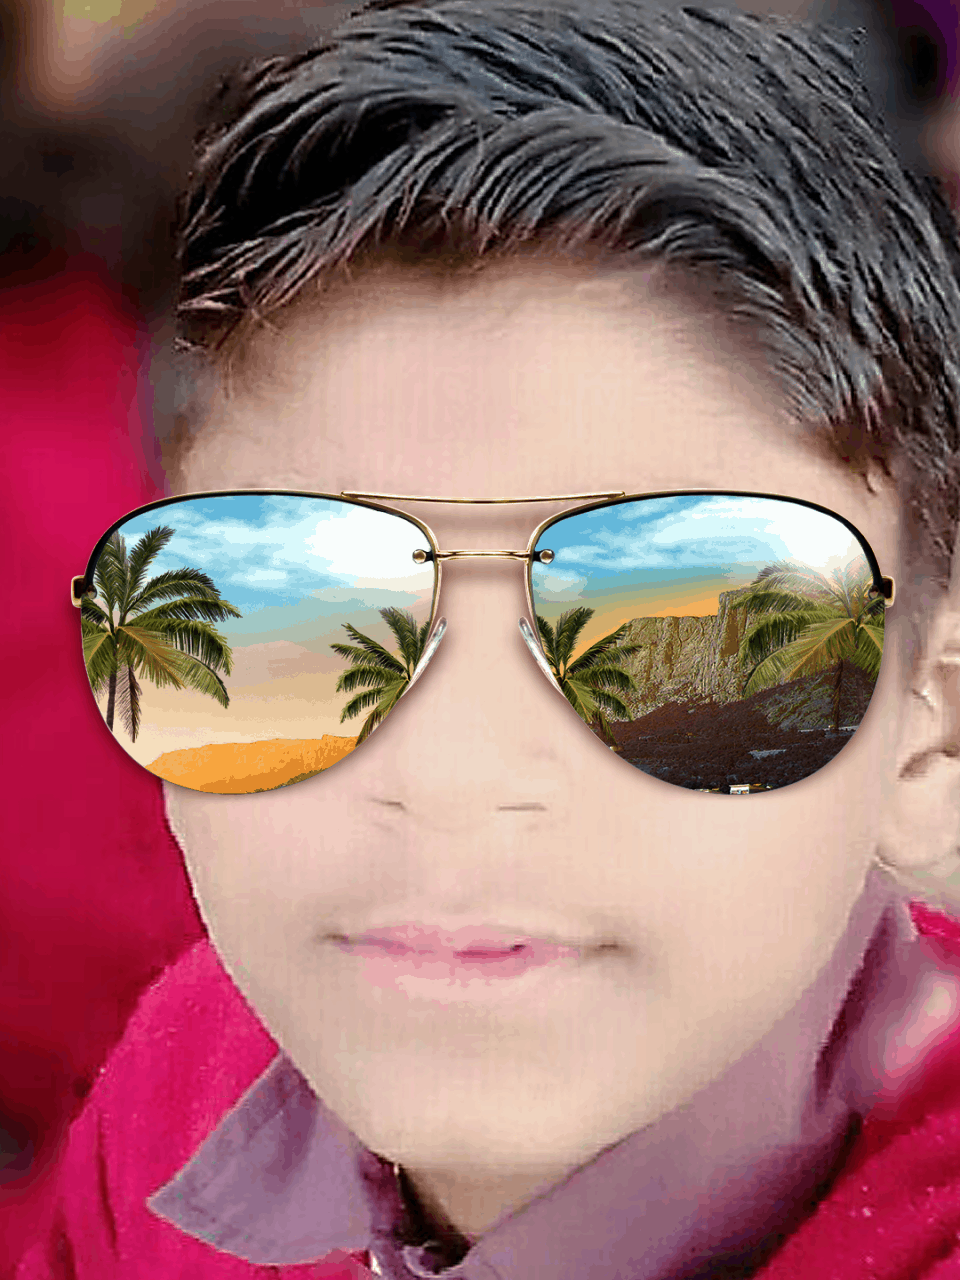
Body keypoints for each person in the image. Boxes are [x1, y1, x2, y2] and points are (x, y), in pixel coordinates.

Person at [17, 1, 960, 1276]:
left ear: (929, 732)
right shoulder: (191, 1093)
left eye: (681, 626)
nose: (448, 768)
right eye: (289, 606)